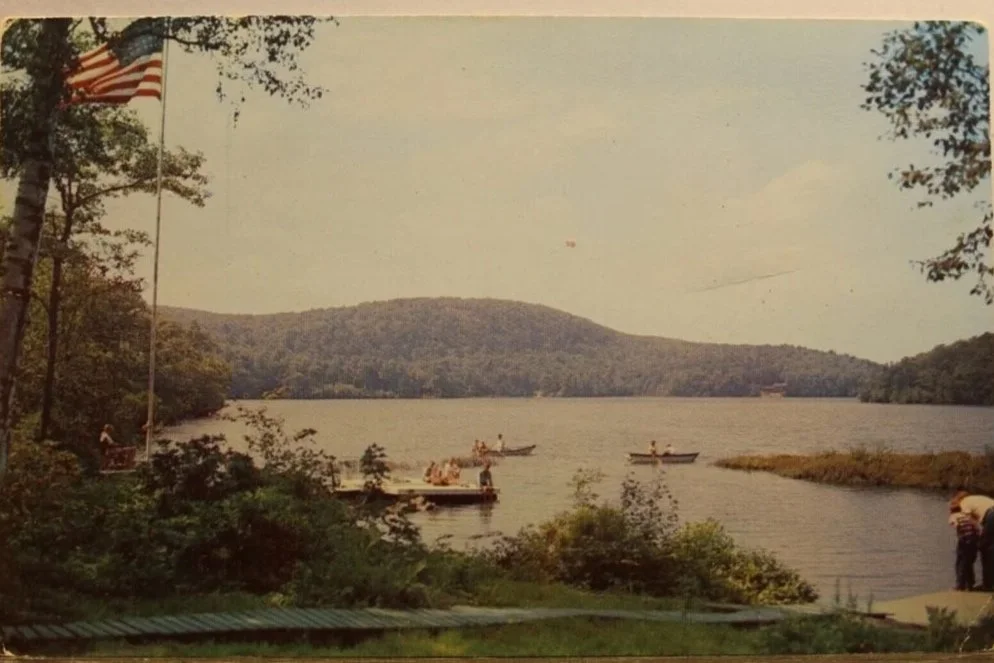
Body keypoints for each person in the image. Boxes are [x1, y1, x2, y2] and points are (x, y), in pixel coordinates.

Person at [952, 491, 994, 590]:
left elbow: (968, 518)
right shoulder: (976, 499)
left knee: (985, 549)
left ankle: (987, 584)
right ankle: (989, 583)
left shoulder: (964, 502)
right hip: (991, 515)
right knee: (991, 548)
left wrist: (980, 532)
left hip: (991, 515)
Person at [949, 502, 981, 591]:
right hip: (974, 540)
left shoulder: (954, 516)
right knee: (968, 563)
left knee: (960, 563)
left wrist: (955, 524)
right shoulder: (967, 516)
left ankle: (960, 585)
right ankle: (970, 584)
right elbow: (977, 527)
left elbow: (954, 523)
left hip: (965, 541)